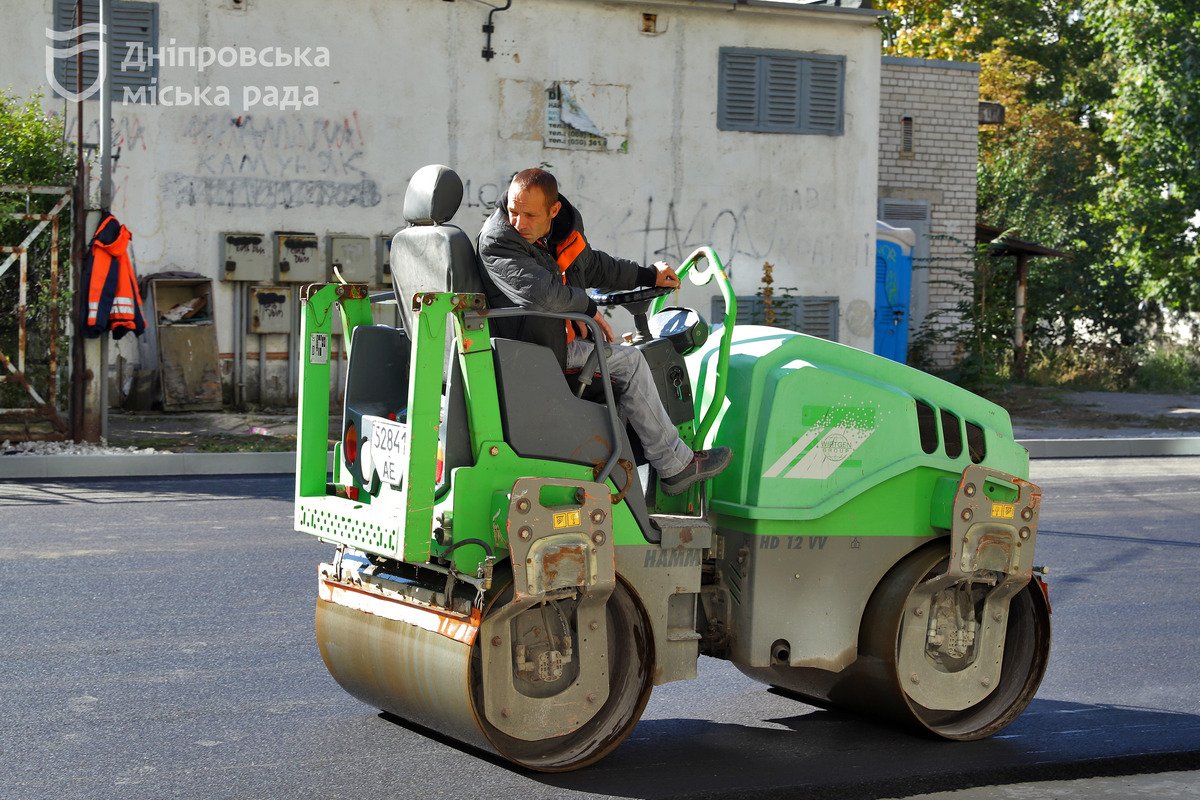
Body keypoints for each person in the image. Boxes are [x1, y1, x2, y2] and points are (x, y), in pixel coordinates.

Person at [476, 167, 731, 496]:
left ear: (553, 211)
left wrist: (647, 274)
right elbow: (544, 295)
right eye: (513, 211)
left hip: (552, 340)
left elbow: (593, 266)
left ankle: (623, 483)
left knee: (620, 373)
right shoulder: (499, 240)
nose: (519, 222)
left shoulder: (560, 232)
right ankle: (675, 466)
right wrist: (588, 309)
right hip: (534, 352)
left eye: (529, 215)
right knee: (632, 362)